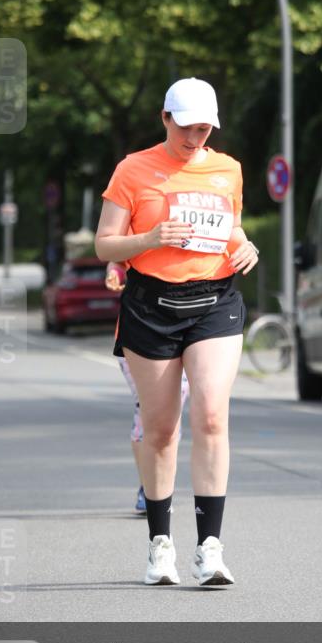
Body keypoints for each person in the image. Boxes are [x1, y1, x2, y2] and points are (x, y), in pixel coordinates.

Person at [95, 77, 258, 586]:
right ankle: (160, 545)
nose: (194, 138)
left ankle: (210, 549)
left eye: (204, 129)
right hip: (151, 306)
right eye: (186, 127)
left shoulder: (227, 169)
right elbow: (104, 244)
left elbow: (230, 228)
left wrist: (245, 245)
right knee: (162, 429)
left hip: (215, 303)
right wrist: (148, 238)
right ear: (165, 118)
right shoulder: (133, 169)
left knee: (210, 414)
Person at [105, 260, 190, 514]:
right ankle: (148, 487)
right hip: (139, 337)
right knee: (149, 410)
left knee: (170, 412)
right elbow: (118, 254)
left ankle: (160, 487)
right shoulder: (145, 234)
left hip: (189, 333)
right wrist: (114, 272)